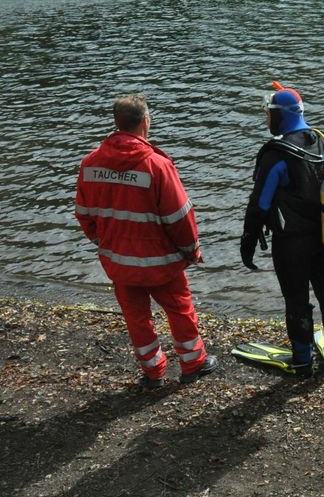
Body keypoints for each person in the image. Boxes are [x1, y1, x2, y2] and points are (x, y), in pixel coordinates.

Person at [75, 93, 217, 389]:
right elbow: (180, 216)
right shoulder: (157, 165)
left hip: (118, 261)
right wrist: (191, 250)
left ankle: (153, 372)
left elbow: (84, 214)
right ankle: (193, 363)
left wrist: (104, 241)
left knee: (136, 317)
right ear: (145, 122)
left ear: (116, 123)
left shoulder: (90, 163)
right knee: (179, 309)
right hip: (161, 261)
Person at [240, 82, 324, 375]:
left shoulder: (276, 154)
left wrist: (248, 240)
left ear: (279, 116)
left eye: (267, 113)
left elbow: (260, 203)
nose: (265, 119)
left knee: (297, 301)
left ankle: (302, 361)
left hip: (291, 244)